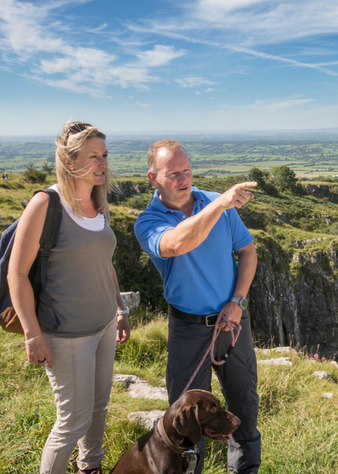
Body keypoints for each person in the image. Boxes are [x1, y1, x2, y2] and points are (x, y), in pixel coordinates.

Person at [9, 121, 131, 474]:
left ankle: (89, 468)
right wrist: (33, 334)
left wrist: (120, 307)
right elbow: (16, 274)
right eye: (93, 156)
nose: (102, 164)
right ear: (68, 158)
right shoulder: (46, 204)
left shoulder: (98, 202)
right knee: (71, 423)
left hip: (105, 323)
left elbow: (103, 262)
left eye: (104, 156)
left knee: (98, 408)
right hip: (66, 333)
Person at [134, 139, 261, 474]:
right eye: (173, 173)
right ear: (153, 178)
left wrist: (236, 303)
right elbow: (176, 243)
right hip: (188, 329)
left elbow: (248, 251)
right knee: (186, 423)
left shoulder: (215, 203)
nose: (183, 178)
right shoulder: (147, 221)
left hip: (233, 322)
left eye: (186, 170)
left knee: (244, 409)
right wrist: (220, 205)